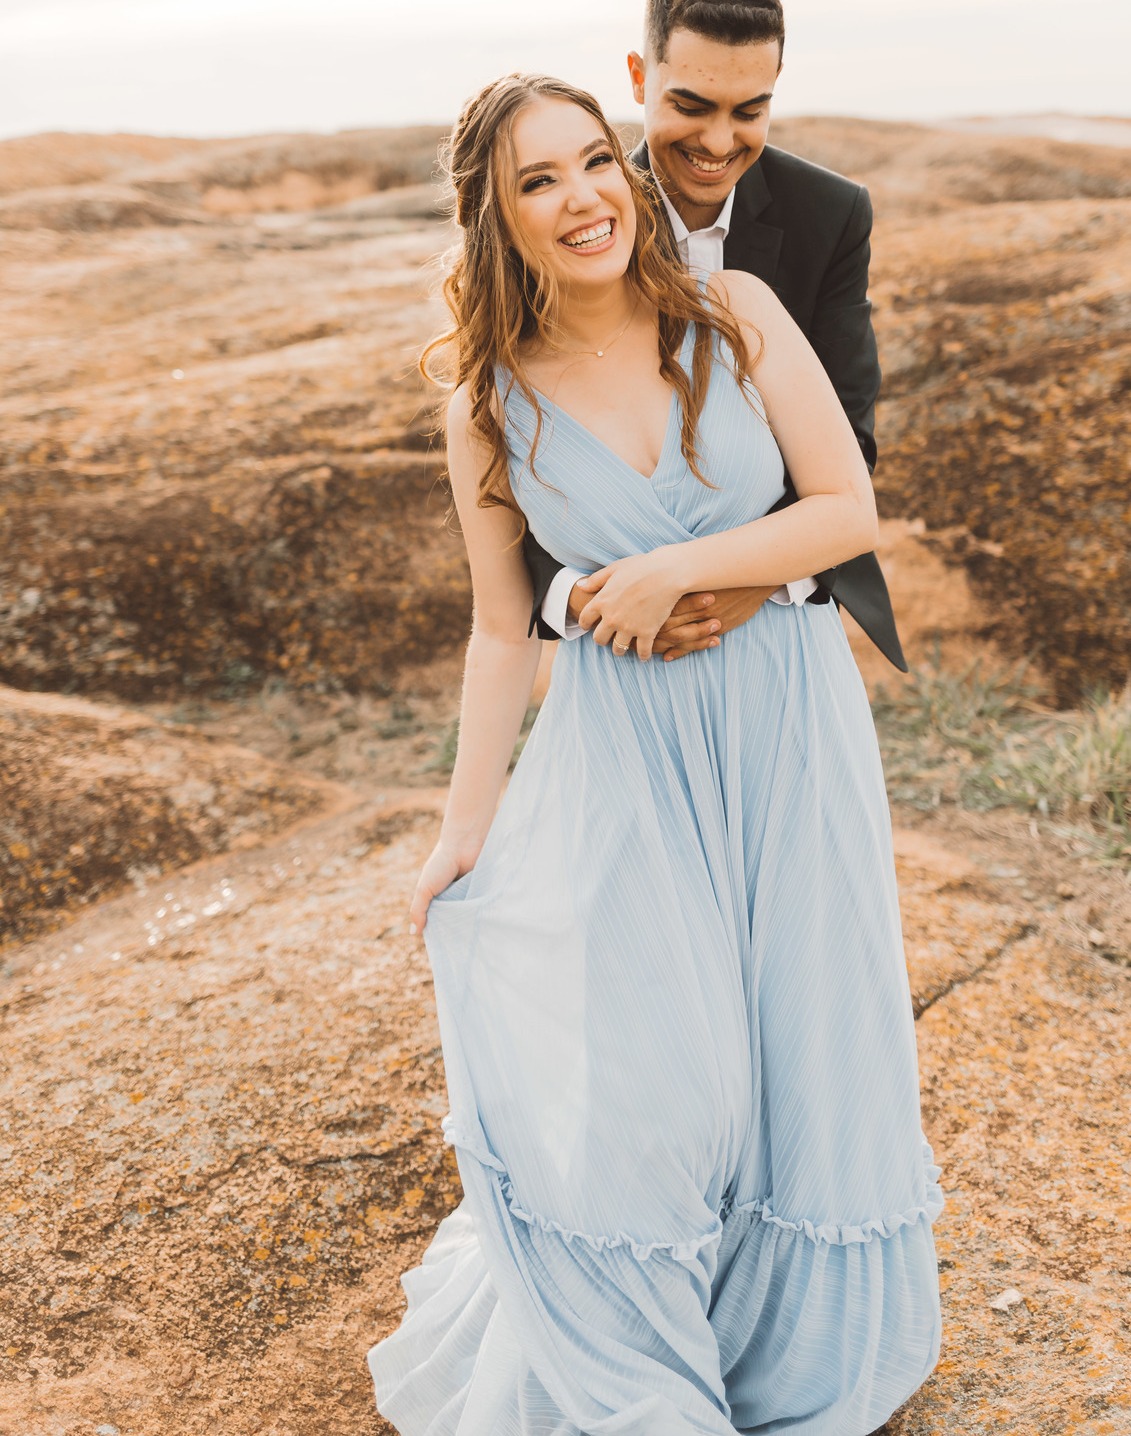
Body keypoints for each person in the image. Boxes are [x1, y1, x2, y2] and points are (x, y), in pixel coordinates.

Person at [367, 70, 942, 1435]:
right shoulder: (486, 403)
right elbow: (502, 633)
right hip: (625, 748)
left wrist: (678, 565)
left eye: (593, 165)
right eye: (539, 182)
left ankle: (788, 1346)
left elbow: (844, 507)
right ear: (494, 220)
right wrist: (464, 833)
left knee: (805, 1032)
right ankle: (648, 1355)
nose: (583, 201)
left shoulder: (734, 313)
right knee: (662, 1072)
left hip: (788, 720)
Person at [524, 0, 907, 673]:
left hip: (784, 621)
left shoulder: (831, 214)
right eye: (690, 106)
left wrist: (747, 577)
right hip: (619, 642)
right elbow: (515, 447)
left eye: (749, 111)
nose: (718, 143)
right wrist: (576, 599)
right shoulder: (577, 222)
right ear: (639, 77)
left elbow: (848, 441)